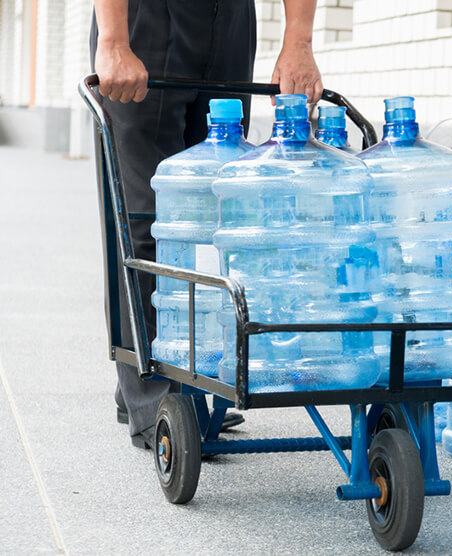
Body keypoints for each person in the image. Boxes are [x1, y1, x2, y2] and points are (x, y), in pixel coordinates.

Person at [90, 0, 323, 449]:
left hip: (230, 18)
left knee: (217, 206)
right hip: (146, 18)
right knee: (146, 210)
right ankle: (153, 397)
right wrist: (113, 38)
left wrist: (299, 40)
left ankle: (184, 379)